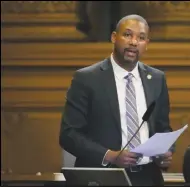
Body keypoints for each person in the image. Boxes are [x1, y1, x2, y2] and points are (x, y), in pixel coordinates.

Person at [59, 14, 175, 186]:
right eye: (128, 35)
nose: (134, 42)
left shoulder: (157, 79)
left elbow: (163, 128)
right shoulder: (87, 79)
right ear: (114, 37)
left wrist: (165, 153)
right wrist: (110, 155)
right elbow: (69, 134)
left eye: (141, 38)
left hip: (148, 178)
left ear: (146, 44)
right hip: (104, 178)